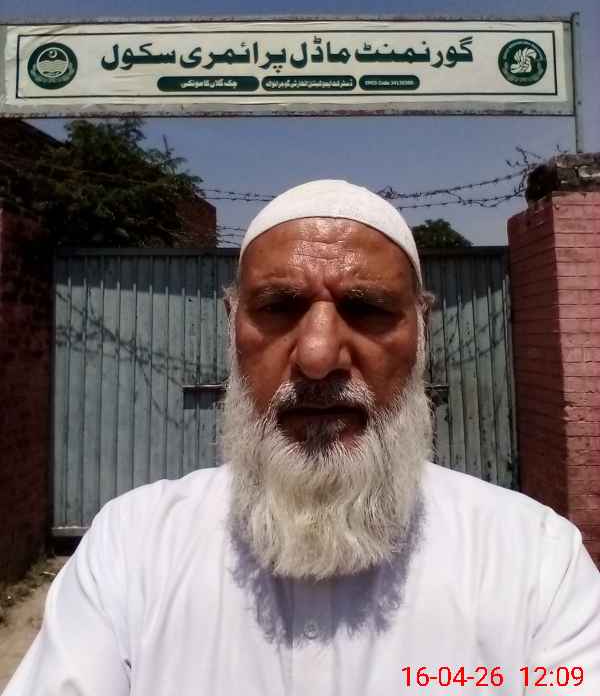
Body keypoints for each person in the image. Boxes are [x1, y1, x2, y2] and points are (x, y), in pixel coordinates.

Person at [5, 179, 600, 695]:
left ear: (422, 332)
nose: (317, 357)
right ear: (233, 328)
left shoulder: (534, 563)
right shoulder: (133, 547)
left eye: (366, 309)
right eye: (279, 307)